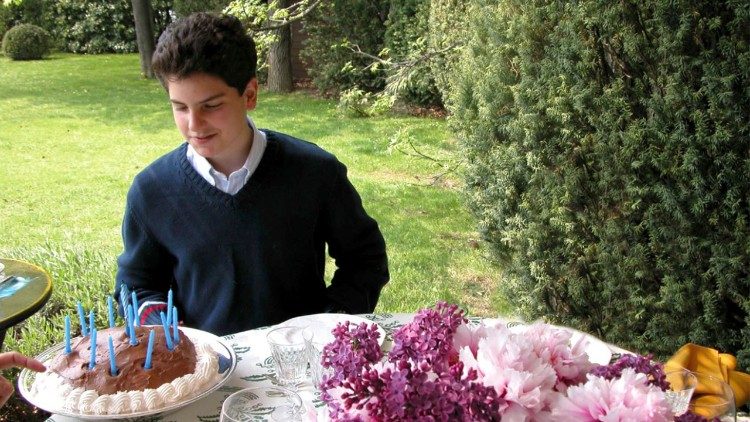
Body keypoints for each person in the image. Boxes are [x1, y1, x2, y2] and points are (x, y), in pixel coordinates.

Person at [114, 13, 389, 336]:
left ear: (250, 94)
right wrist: (160, 327)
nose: (194, 124)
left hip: (305, 364)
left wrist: (333, 321)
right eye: (180, 107)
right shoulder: (152, 191)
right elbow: (137, 283)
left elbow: (365, 257)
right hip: (208, 372)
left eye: (211, 105)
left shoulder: (315, 173)